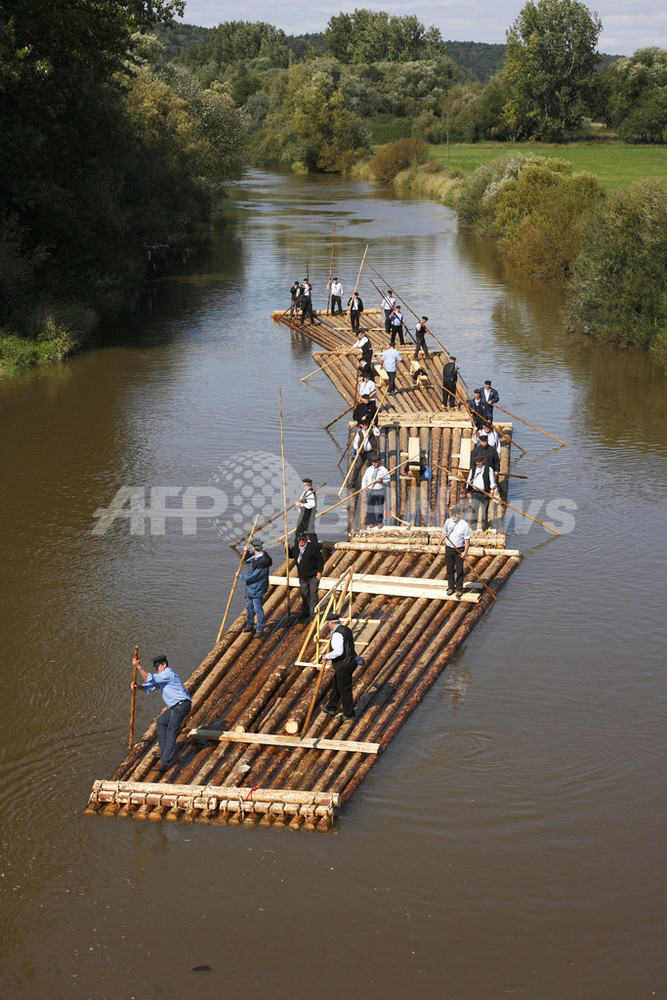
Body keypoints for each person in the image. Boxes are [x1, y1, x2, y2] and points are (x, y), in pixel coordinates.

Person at [132, 654, 191, 770]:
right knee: (161, 722)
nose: (156, 670)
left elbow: (150, 678)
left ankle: (166, 761)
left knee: (171, 730)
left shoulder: (167, 673)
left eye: (157, 667)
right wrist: (137, 687)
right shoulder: (162, 676)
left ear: (164, 665)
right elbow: (151, 686)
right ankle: (164, 751)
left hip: (181, 705)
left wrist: (139, 667)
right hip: (176, 706)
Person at [321, 613, 358, 720]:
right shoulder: (346, 629)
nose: (328, 625)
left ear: (331, 623)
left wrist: (327, 656)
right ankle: (331, 707)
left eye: (328, 623)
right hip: (350, 661)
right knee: (337, 684)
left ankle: (349, 713)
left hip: (344, 664)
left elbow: (339, 651)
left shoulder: (337, 634)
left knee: (344, 689)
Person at [436, 506, 472, 598]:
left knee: (459, 570)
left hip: (459, 550)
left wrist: (465, 553)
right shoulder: (448, 521)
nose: (453, 517)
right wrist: (439, 544)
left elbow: (467, 540)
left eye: (455, 515)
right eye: (452, 515)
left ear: (460, 515)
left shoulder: (464, 525)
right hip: (449, 548)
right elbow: (444, 533)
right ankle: (451, 587)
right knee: (449, 569)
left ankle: (459, 589)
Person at [240, 540, 273, 637]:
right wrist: (246, 552)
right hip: (251, 588)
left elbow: (253, 577)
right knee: (249, 607)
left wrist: (240, 576)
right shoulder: (258, 556)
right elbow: (247, 560)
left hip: (257, 588)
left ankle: (260, 629)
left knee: (258, 609)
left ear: (254, 548)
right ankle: (250, 625)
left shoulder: (262, 561)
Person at [290, 534, 323, 620]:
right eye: (300, 540)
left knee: (313, 595)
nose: (301, 541)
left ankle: (313, 614)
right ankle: (305, 612)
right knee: (304, 595)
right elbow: (290, 555)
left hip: (313, 576)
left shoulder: (312, 548)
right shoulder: (296, 548)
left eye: (303, 540)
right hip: (302, 577)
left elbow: (320, 560)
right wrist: (286, 548)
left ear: (306, 539)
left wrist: (319, 572)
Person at [466, 458, 497, 531]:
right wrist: (468, 491)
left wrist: (491, 492)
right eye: (477, 462)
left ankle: (484, 528)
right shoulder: (473, 470)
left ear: (483, 461)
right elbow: (469, 481)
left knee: (484, 511)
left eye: (480, 462)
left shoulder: (489, 469)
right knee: (474, 510)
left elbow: (492, 481)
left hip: (485, 492)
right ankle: (473, 528)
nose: (478, 463)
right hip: (475, 492)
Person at [362, 455, 391, 528]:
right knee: (370, 507)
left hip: (380, 490)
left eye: (375, 462)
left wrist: (382, 481)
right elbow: (364, 479)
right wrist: (363, 488)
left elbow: (388, 480)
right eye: (372, 462)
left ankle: (379, 522)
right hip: (370, 490)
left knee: (380, 507)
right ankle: (372, 522)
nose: (374, 464)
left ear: (378, 462)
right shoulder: (369, 469)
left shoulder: (383, 470)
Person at [350, 420, 380, 489]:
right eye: (363, 424)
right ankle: (353, 483)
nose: (365, 425)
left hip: (371, 452)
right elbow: (355, 442)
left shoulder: (372, 430)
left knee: (373, 467)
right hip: (363, 452)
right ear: (360, 425)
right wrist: (357, 448)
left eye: (366, 423)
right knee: (357, 467)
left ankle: (371, 482)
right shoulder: (359, 433)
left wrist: (374, 426)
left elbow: (378, 433)